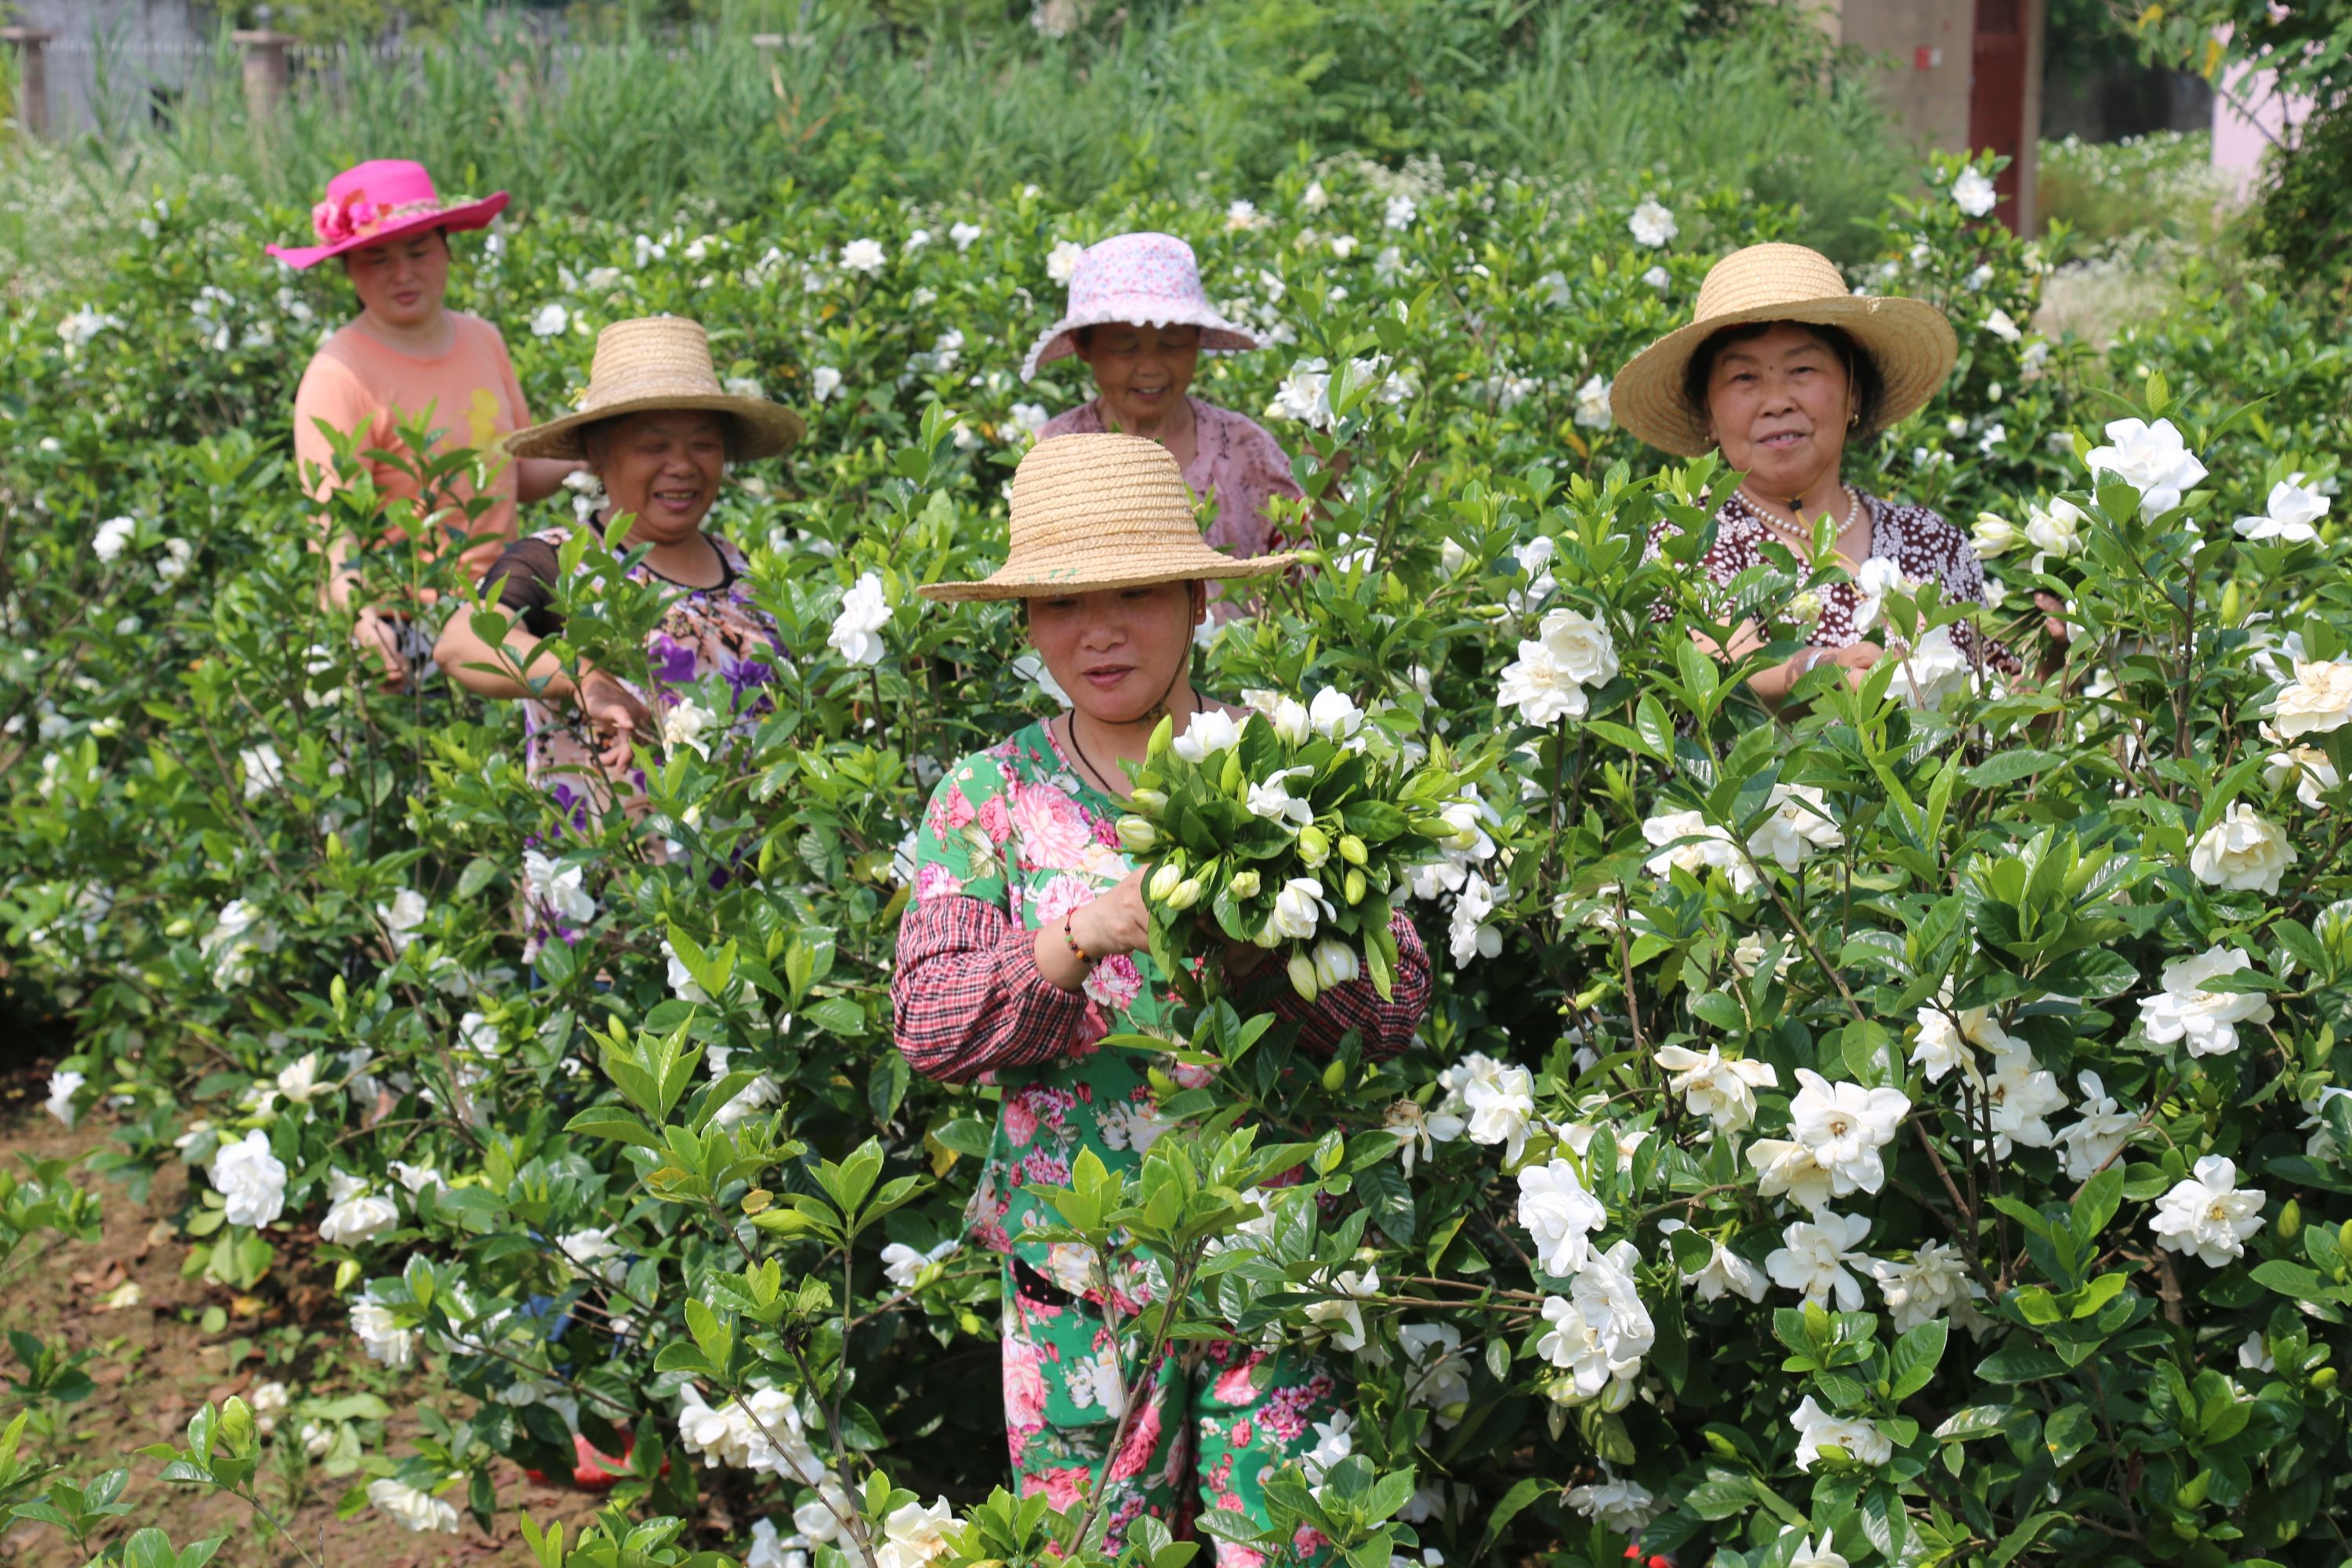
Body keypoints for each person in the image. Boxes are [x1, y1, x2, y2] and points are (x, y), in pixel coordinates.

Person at [891, 433, 1432, 1557]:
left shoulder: (1287, 772)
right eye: (1063, 602)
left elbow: (1398, 1003)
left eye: (1135, 592)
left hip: (1274, 1274)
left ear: (1196, 597)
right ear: (1028, 622)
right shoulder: (990, 794)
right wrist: (1080, 934)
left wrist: (1266, 968)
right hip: (1076, 1278)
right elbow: (929, 1023)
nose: (1100, 631)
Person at [1611, 242, 2063, 709]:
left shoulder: (1934, 542)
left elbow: (1992, 737)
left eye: (1802, 369)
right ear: (1708, 413)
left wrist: (2053, 665)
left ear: (1854, 395)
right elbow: (1729, 662)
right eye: (1744, 378)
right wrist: (1814, 669)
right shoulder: (1689, 537)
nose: (1777, 400)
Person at [432, 318, 803, 874]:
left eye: (703, 445)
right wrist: (585, 679)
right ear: (597, 457)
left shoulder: (747, 571)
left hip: (747, 896)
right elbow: (461, 644)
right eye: (653, 446)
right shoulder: (560, 562)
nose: (682, 466)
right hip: (620, 910)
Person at [269, 159, 575, 684]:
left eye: (419, 252)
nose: (403, 274)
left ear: (447, 251)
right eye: (377, 258)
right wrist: (360, 620)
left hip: (505, 610)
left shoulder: (484, 340)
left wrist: (593, 446)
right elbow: (334, 527)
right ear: (348, 268)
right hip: (409, 626)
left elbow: (517, 477)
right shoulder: (339, 375)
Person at [1027, 233, 1305, 577]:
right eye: (1124, 347)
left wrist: (1327, 486)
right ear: (1084, 347)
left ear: (1198, 341)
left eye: (1172, 344)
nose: (1150, 367)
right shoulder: (1054, 453)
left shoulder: (1247, 449)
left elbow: (1307, 572)